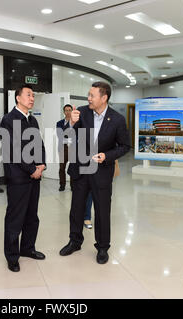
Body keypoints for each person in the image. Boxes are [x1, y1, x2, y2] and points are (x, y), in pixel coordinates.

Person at [59, 81, 130, 264]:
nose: (88, 98)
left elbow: (124, 146)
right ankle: (75, 242)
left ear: (104, 98)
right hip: (80, 170)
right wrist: (71, 123)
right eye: (88, 95)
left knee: (102, 211)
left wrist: (107, 155)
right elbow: (66, 136)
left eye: (92, 95)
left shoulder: (117, 119)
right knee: (77, 210)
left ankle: (103, 247)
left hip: (102, 172)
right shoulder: (81, 113)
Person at [1, 84, 46, 273]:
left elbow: (39, 144)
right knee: (15, 218)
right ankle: (12, 256)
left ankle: (28, 248)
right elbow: (13, 150)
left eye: (33, 95)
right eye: (28, 95)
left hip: (34, 176)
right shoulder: (9, 120)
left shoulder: (32, 120)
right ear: (18, 98)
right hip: (18, 177)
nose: (32, 98)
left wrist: (42, 164)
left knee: (31, 216)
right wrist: (30, 169)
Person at [56, 104, 73, 192]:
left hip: (73, 149)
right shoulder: (59, 123)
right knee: (62, 168)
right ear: (64, 112)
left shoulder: (76, 123)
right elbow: (60, 136)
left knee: (73, 167)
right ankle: (62, 185)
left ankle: (73, 185)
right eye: (66, 110)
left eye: (70, 110)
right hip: (63, 148)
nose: (68, 112)